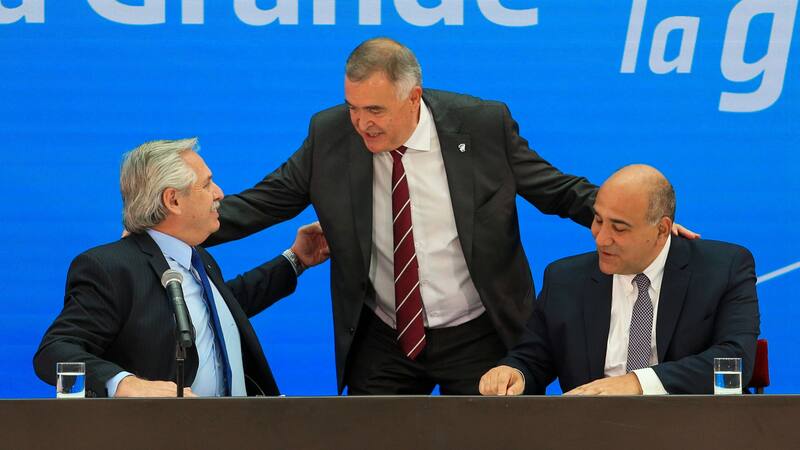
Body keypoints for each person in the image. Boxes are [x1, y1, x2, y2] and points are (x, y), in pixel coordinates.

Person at [205, 38, 696, 395]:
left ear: (413, 96)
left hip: (479, 331)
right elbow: (262, 203)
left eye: (374, 109)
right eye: (353, 107)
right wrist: (175, 226)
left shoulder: (481, 126)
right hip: (383, 336)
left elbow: (557, 190)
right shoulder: (331, 135)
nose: (361, 123)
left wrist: (645, 224)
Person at [33, 138, 329, 397]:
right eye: (207, 183)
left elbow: (224, 309)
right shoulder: (110, 268)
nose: (220, 193)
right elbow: (55, 350)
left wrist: (296, 259)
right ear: (172, 199)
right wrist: (125, 384)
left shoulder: (198, 258)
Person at [479, 165, 759, 396]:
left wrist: (635, 382)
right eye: (598, 220)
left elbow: (734, 361)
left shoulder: (722, 269)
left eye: (619, 228)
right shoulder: (565, 278)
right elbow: (534, 358)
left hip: (693, 430)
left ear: (662, 229)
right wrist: (513, 372)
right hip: (593, 432)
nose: (601, 239)